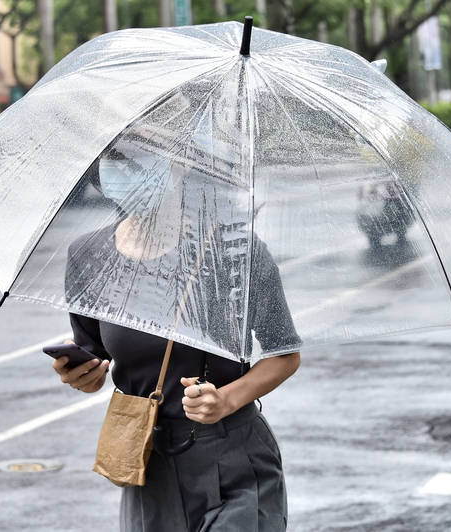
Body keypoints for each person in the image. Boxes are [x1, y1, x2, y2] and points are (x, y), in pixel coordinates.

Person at [51, 139, 301, 531]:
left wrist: (226, 399)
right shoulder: (88, 255)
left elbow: (284, 354)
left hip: (232, 460)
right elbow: (93, 352)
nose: (121, 171)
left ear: (179, 164)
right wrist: (82, 374)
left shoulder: (234, 250)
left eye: (137, 159)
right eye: (111, 160)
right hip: (146, 460)